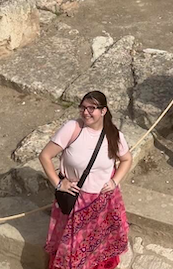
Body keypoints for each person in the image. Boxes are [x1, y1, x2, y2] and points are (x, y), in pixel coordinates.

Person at [39, 91, 133, 269]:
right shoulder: (73, 128)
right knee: (72, 250)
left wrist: (114, 181)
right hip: (75, 200)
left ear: (103, 111)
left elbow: (126, 159)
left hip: (103, 201)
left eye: (92, 108)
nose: (86, 112)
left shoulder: (114, 136)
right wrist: (59, 184)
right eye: (83, 107)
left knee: (99, 246)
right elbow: (45, 155)